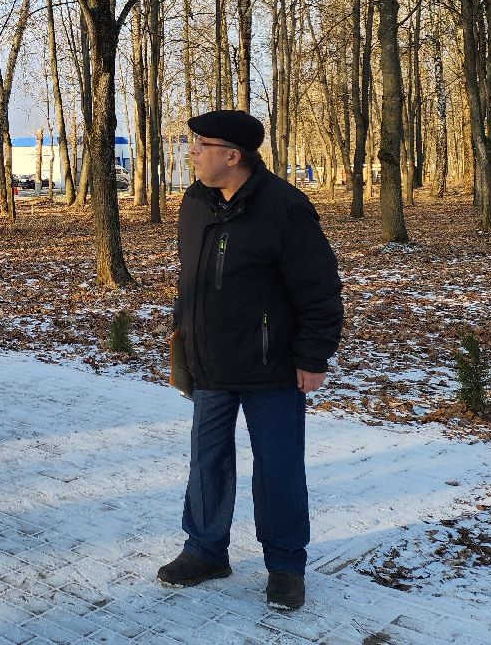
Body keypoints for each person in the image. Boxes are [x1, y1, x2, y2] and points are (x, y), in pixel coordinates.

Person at [158, 109, 343, 612]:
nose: (192, 152)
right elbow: (190, 281)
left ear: (232, 156)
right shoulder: (195, 202)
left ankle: (285, 566)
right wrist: (183, 341)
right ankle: (204, 550)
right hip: (211, 364)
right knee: (207, 461)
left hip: (273, 368)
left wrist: (312, 356)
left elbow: (320, 289)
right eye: (192, 144)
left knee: (278, 468)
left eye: (201, 145)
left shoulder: (285, 208)